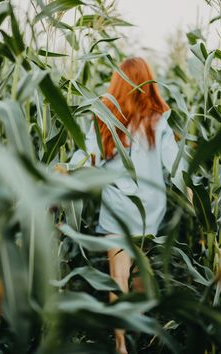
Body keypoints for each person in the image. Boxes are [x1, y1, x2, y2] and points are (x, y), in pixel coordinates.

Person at [71, 57, 192, 354]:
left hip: (117, 211)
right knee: (141, 277)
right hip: (149, 212)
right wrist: (193, 193)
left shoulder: (105, 118)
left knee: (118, 278)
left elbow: (86, 156)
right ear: (148, 82)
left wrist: (60, 172)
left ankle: (121, 345)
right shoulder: (157, 120)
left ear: (117, 84)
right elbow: (175, 166)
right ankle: (140, 330)